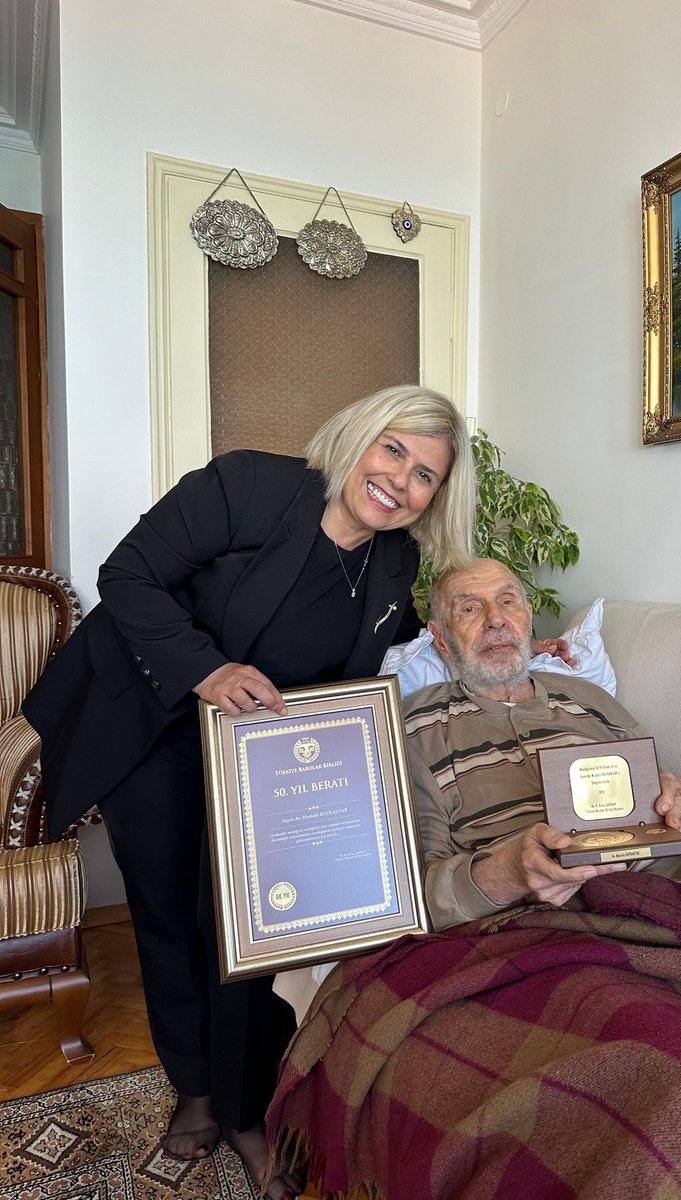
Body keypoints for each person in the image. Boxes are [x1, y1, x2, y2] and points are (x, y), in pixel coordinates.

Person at [23, 385, 475, 1199]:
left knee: (248, 929)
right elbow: (125, 576)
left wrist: (468, 635)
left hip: (256, 756)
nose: (399, 480)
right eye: (393, 451)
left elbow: (383, 641)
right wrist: (207, 669)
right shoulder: (248, 486)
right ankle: (194, 1093)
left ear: (435, 499)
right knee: (165, 914)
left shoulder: (396, 559)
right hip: (154, 724)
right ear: (359, 436)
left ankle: (244, 1108)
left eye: (424, 476)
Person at [402, 558, 681, 932]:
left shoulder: (588, 698)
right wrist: (510, 873)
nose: (496, 619)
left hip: (669, 900)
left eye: (507, 601)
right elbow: (418, 900)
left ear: (527, 616)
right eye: (470, 608)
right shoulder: (415, 727)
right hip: (542, 927)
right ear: (441, 639)